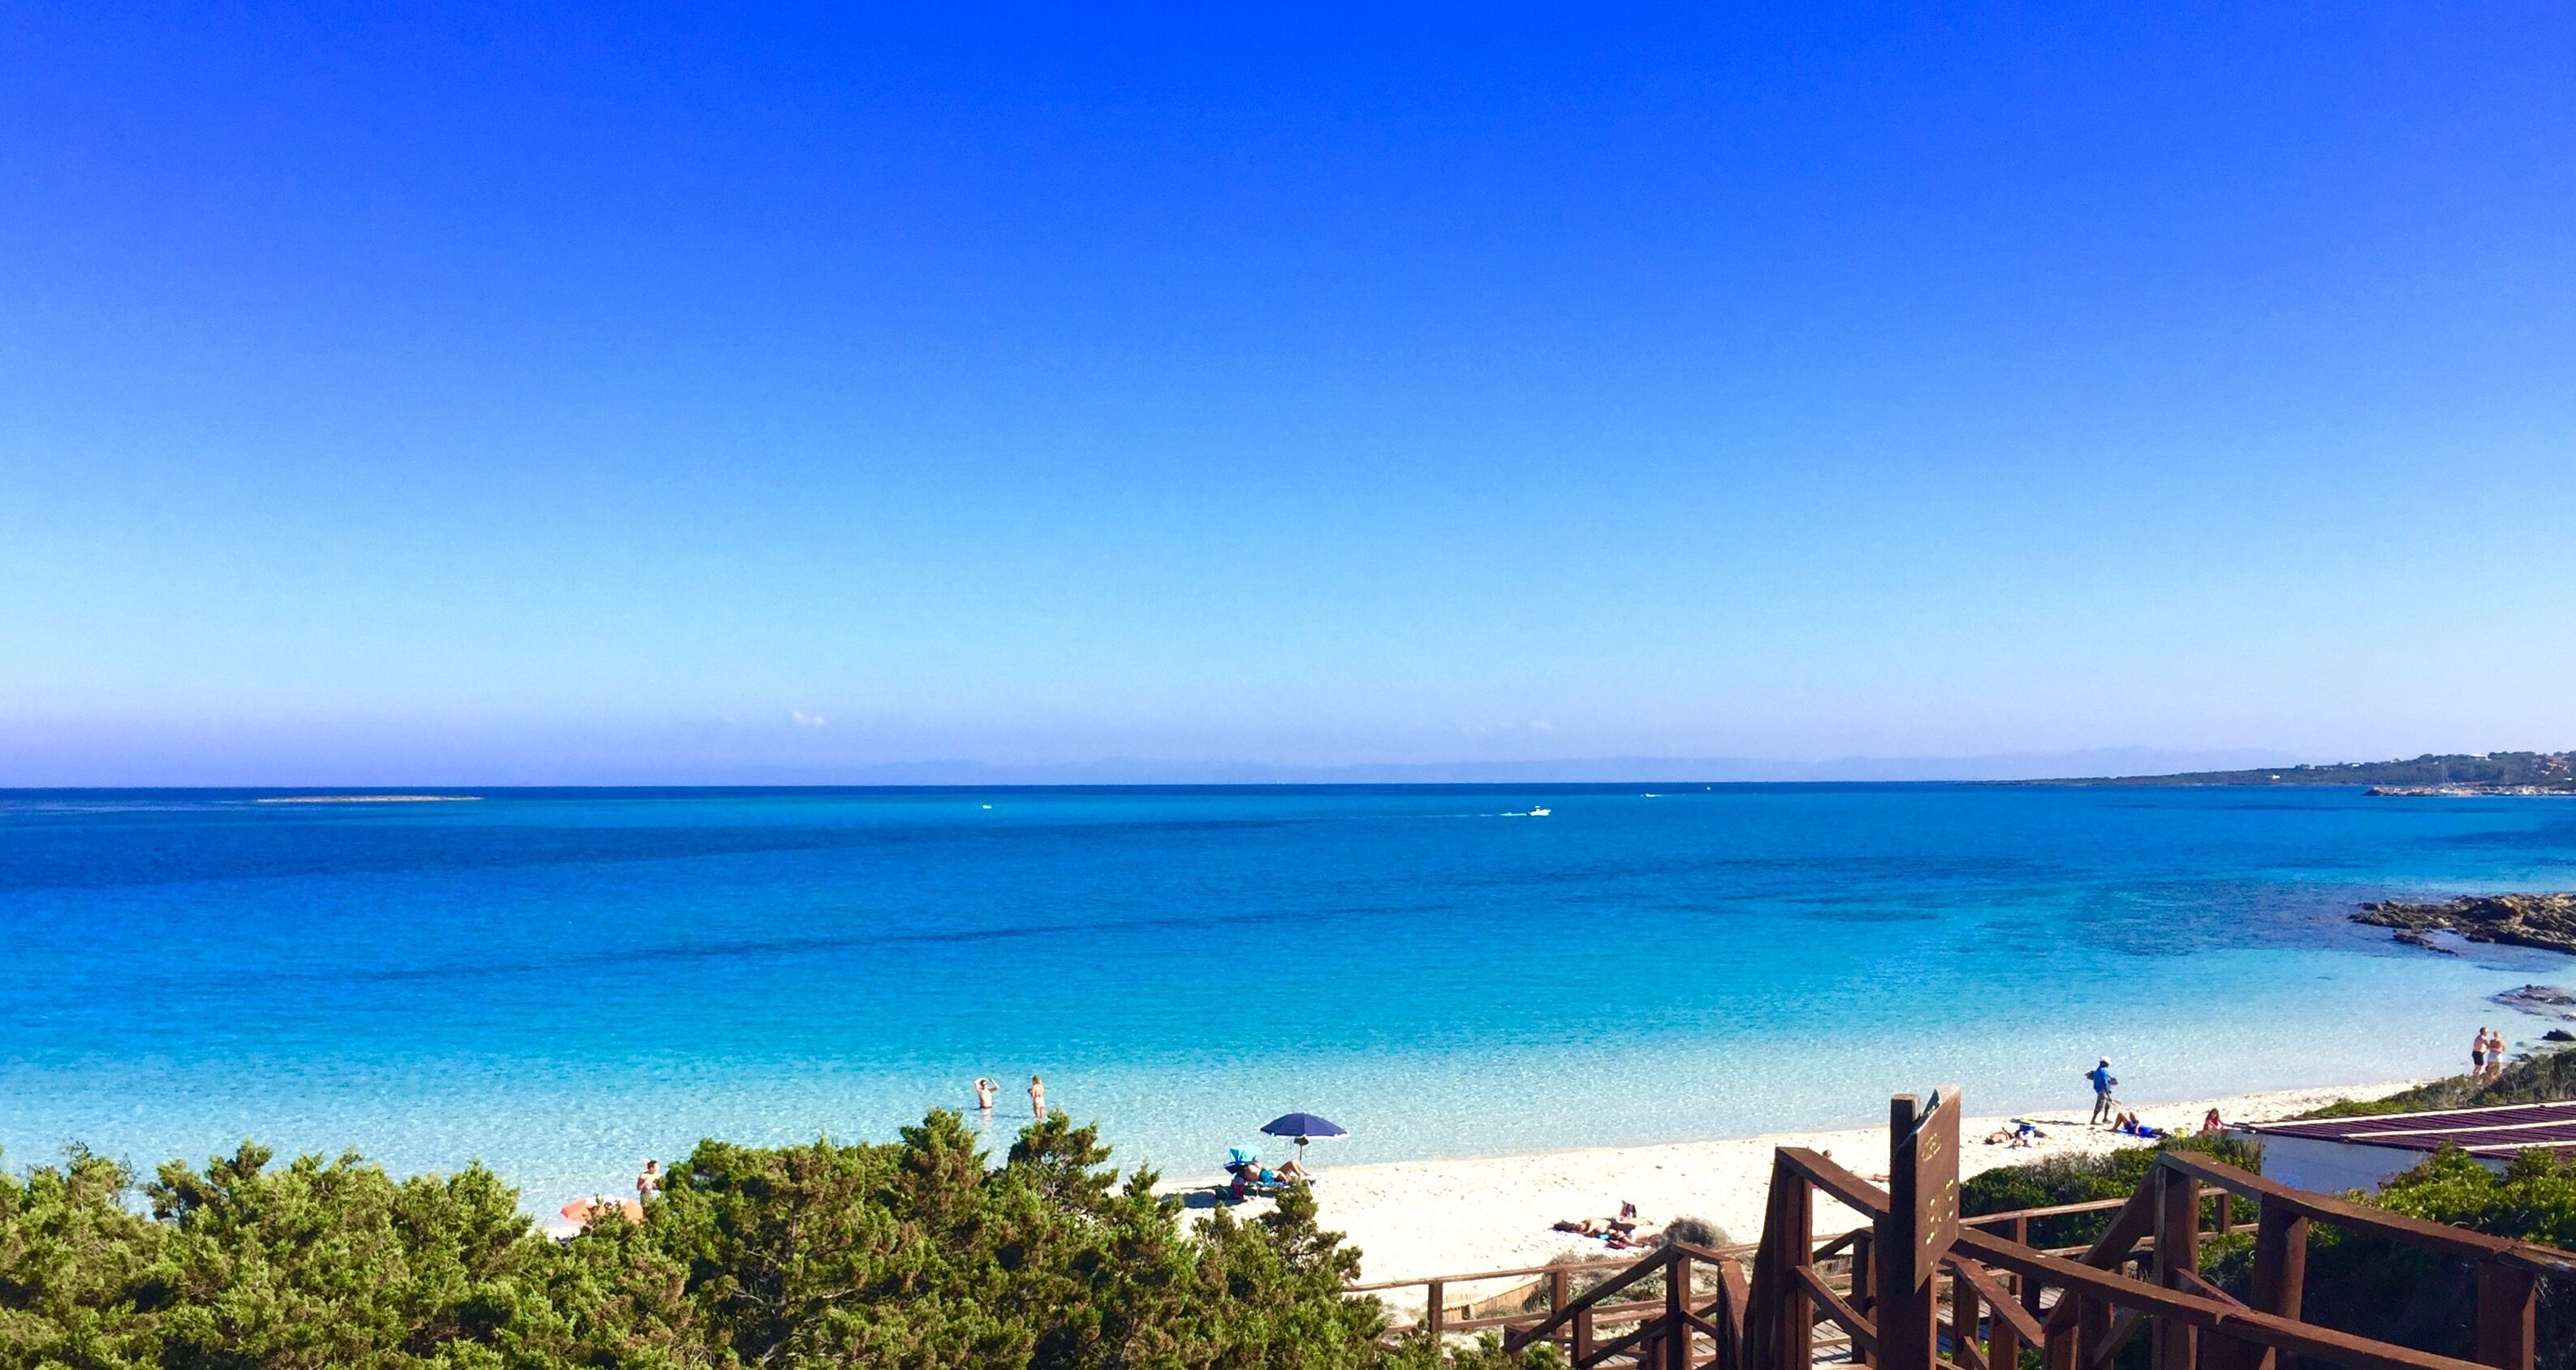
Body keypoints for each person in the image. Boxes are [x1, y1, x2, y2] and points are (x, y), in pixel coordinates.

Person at [2087, 1058, 2117, 1125]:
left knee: (2108, 1103)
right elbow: (2105, 1083)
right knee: (2099, 1105)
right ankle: (2093, 1120)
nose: (2108, 1065)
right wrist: (2108, 1095)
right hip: (2102, 1090)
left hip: (2100, 1089)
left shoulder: (2098, 1070)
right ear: (2103, 1063)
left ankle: (2105, 1118)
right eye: (2107, 1063)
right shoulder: (2103, 1071)